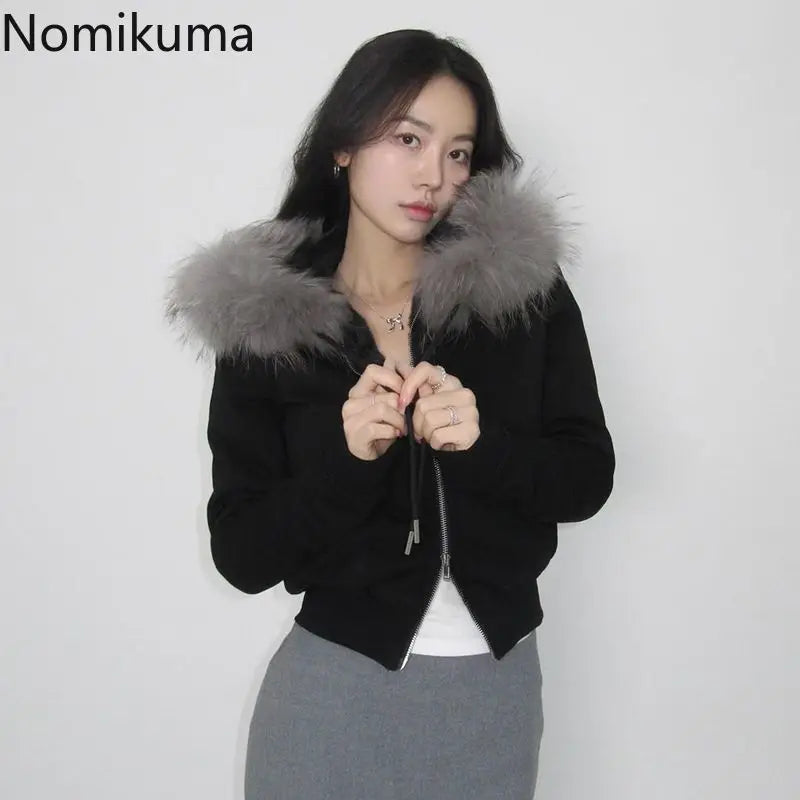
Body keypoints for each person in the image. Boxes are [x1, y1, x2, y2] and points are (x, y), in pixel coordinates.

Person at [164, 28, 614, 800]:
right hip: (328, 705)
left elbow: (586, 479)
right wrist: (347, 465)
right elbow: (242, 554)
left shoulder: (521, 295)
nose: (433, 175)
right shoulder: (270, 321)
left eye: (458, 152)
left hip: (493, 701)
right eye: (408, 138)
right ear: (342, 144)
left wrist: (486, 445)